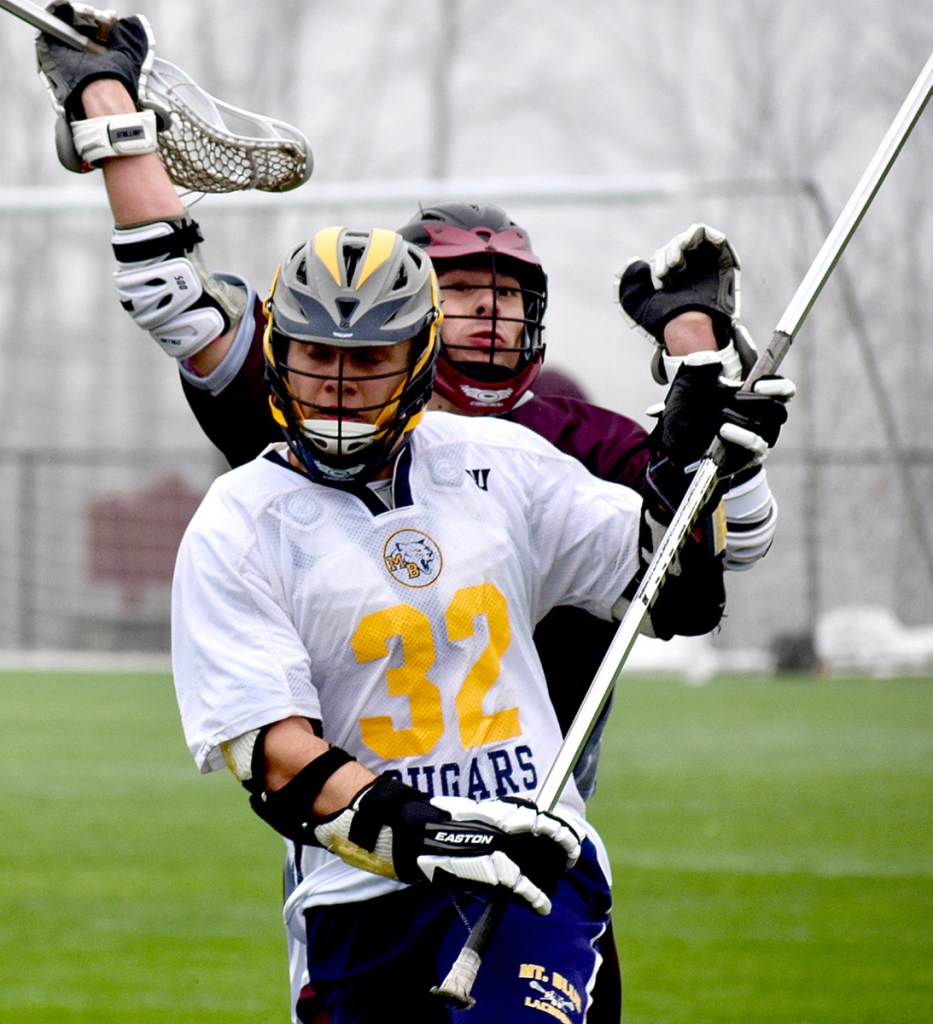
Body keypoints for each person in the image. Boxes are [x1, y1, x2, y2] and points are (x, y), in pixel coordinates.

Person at [35, 8, 794, 1022]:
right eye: (317, 361)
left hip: (537, 847)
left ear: (416, 352)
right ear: (287, 357)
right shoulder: (243, 513)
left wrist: (709, 438)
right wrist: (108, 106)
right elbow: (275, 758)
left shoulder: (533, 450)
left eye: (499, 294)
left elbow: (689, 579)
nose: (341, 385)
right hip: (363, 871)